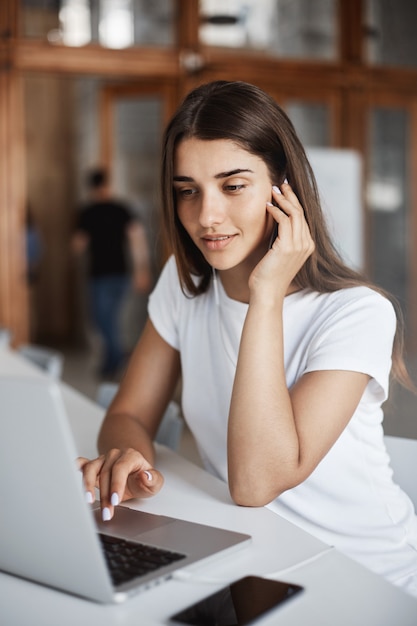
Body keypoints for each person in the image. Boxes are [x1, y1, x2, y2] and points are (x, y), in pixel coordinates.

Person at [79, 81, 417, 597]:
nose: (206, 216)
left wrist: (266, 294)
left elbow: (256, 483)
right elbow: (128, 414)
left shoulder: (357, 312)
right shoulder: (183, 284)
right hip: (256, 556)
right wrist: (130, 457)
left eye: (233, 186)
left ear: (285, 190)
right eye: (187, 190)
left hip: (365, 576)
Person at [72, 167, 152, 377]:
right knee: (109, 319)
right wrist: (141, 269)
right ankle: (111, 363)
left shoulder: (87, 212)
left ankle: (117, 357)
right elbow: (138, 241)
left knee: (101, 320)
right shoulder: (122, 209)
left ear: (90, 187)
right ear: (107, 184)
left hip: (100, 274)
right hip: (120, 273)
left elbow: (78, 245)